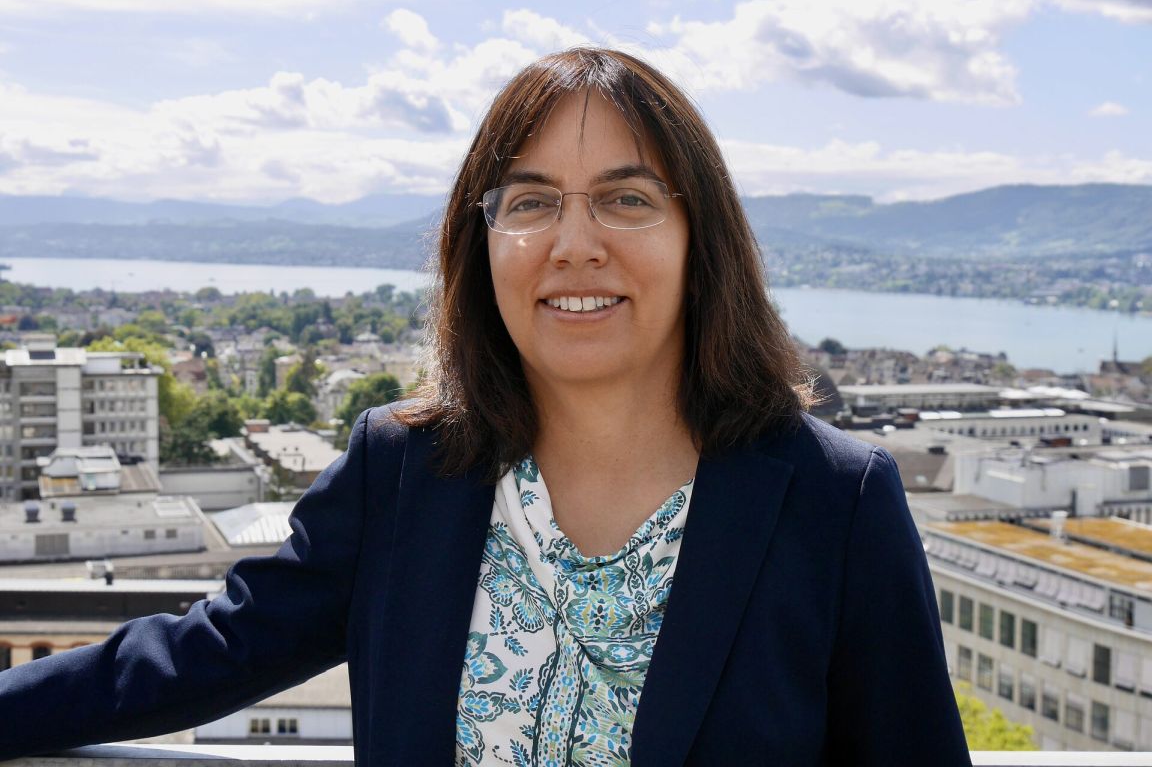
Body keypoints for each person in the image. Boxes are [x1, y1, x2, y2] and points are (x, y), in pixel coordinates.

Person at [0, 48, 970, 765]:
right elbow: (208, 653)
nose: (575, 243)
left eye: (627, 199)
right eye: (531, 201)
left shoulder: (832, 498)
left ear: (698, 239)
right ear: (485, 240)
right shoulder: (404, 471)